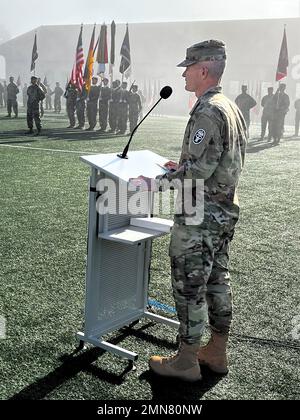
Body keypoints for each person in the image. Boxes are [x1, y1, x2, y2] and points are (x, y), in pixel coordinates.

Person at [131, 40, 247, 382]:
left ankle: (186, 361)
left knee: (189, 286)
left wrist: (155, 182)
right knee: (217, 281)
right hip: (223, 212)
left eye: (188, 67)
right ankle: (216, 351)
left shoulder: (207, 110)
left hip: (199, 215)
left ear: (203, 70)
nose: (184, 73)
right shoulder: (230, 106)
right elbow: (217, 160)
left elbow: (196, 172)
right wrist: (180, 164)